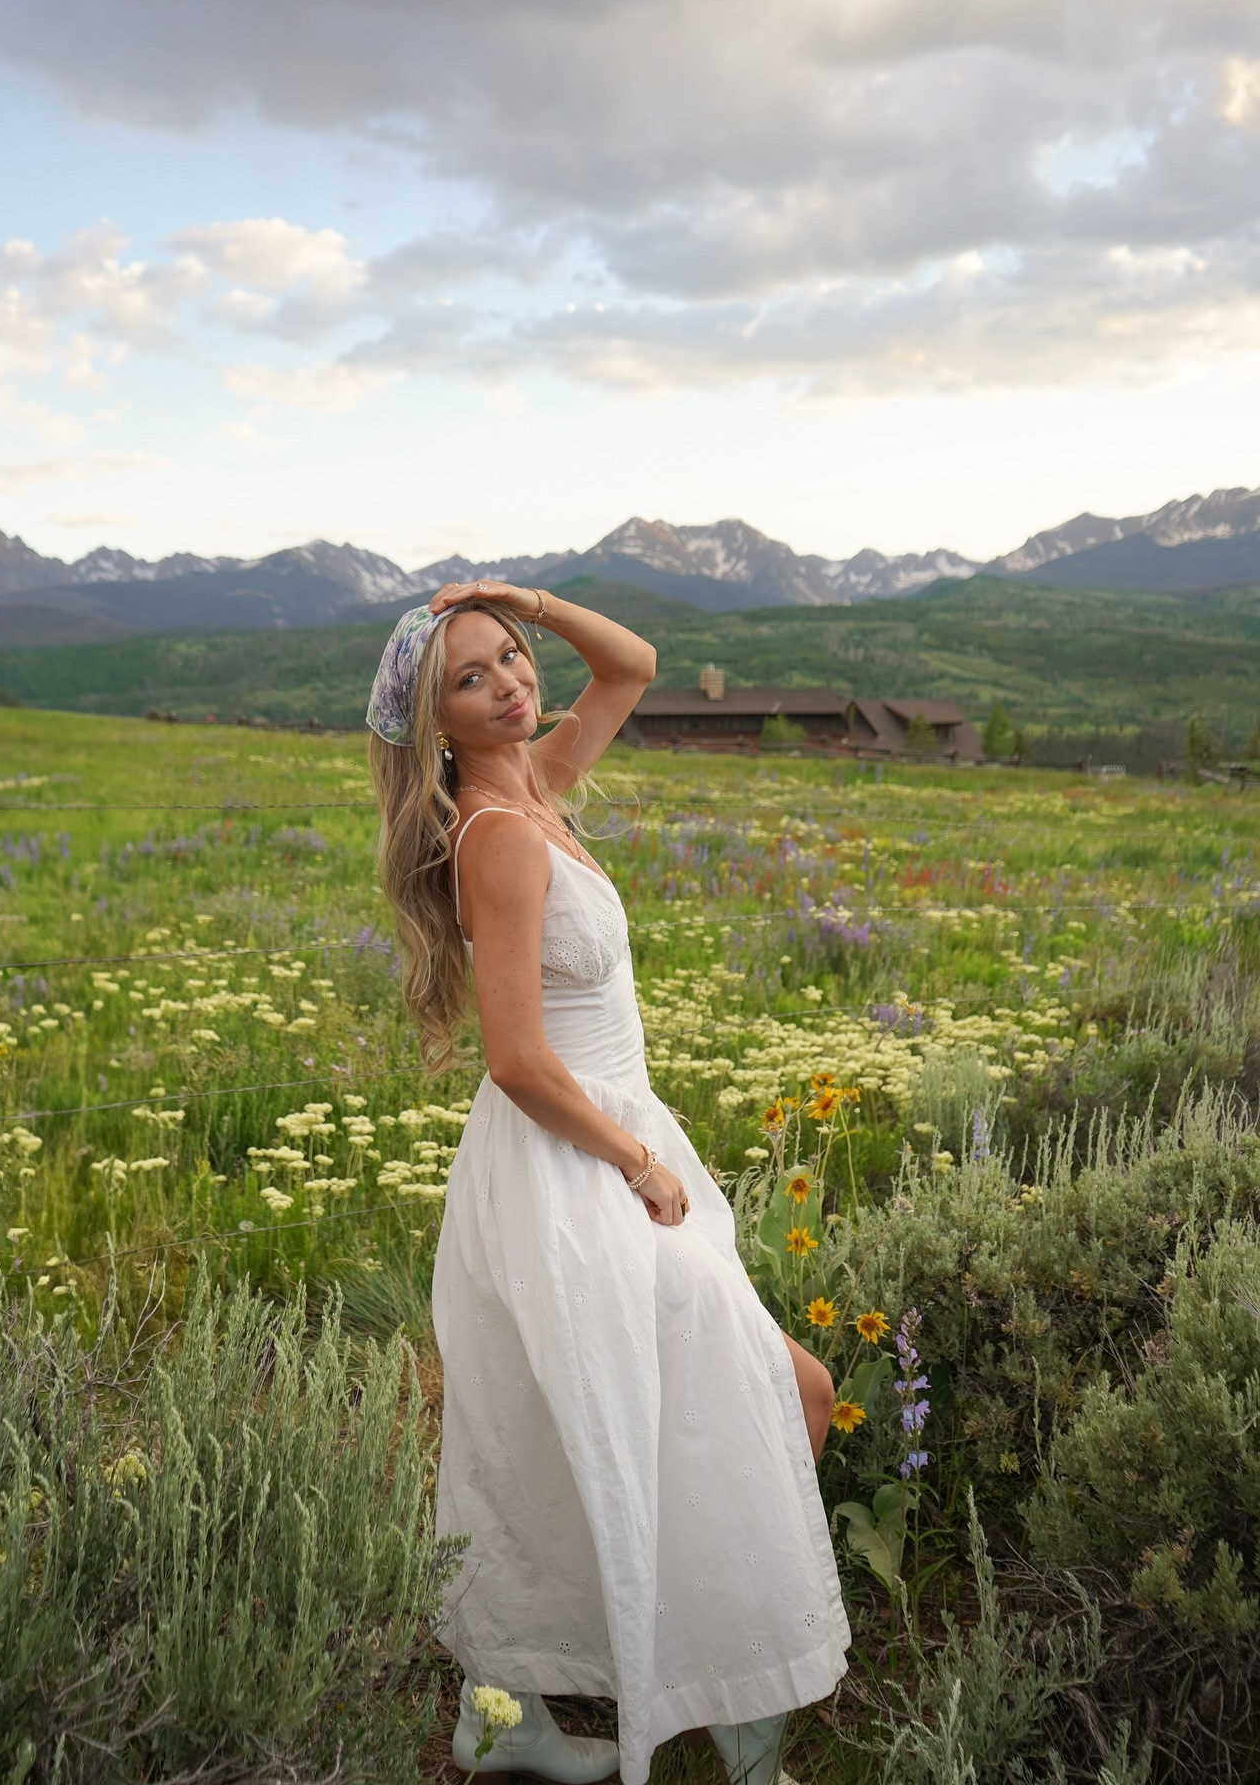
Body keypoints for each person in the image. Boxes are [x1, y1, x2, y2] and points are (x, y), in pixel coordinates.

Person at [366, 582, 850, 1785]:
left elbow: (632, 663)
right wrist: (636, 1162)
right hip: (578, 1162)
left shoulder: (541, 781)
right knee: (779, 1394)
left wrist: (516, 594)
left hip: (611, 1147)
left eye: (514, 658)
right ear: (438, 722)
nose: (512, 684)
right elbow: (517, 1058)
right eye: (472, 678)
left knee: (617, 1418)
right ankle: (724, 1721)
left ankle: (571, 1703)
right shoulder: (503, 834)